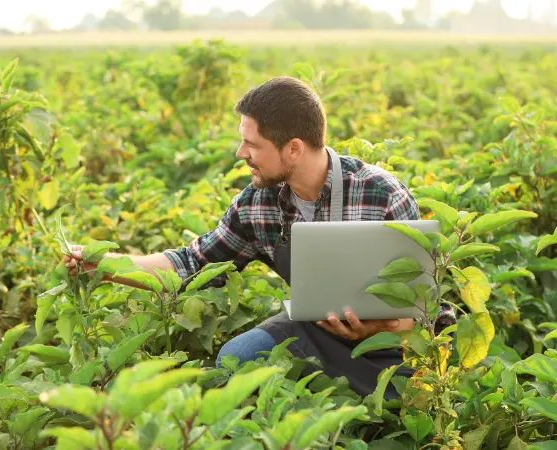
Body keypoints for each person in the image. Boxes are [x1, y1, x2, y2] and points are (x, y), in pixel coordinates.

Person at [64, 76, 455, 399]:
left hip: (394, 346)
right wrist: (104, 265)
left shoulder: (383, 195)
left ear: (294, 149)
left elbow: (424, 315)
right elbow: (192, 264)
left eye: (251, 145)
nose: (240, 153)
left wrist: (377, 329)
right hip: (314, 331)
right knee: (237, 360)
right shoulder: (257, 203)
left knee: (408, 401)